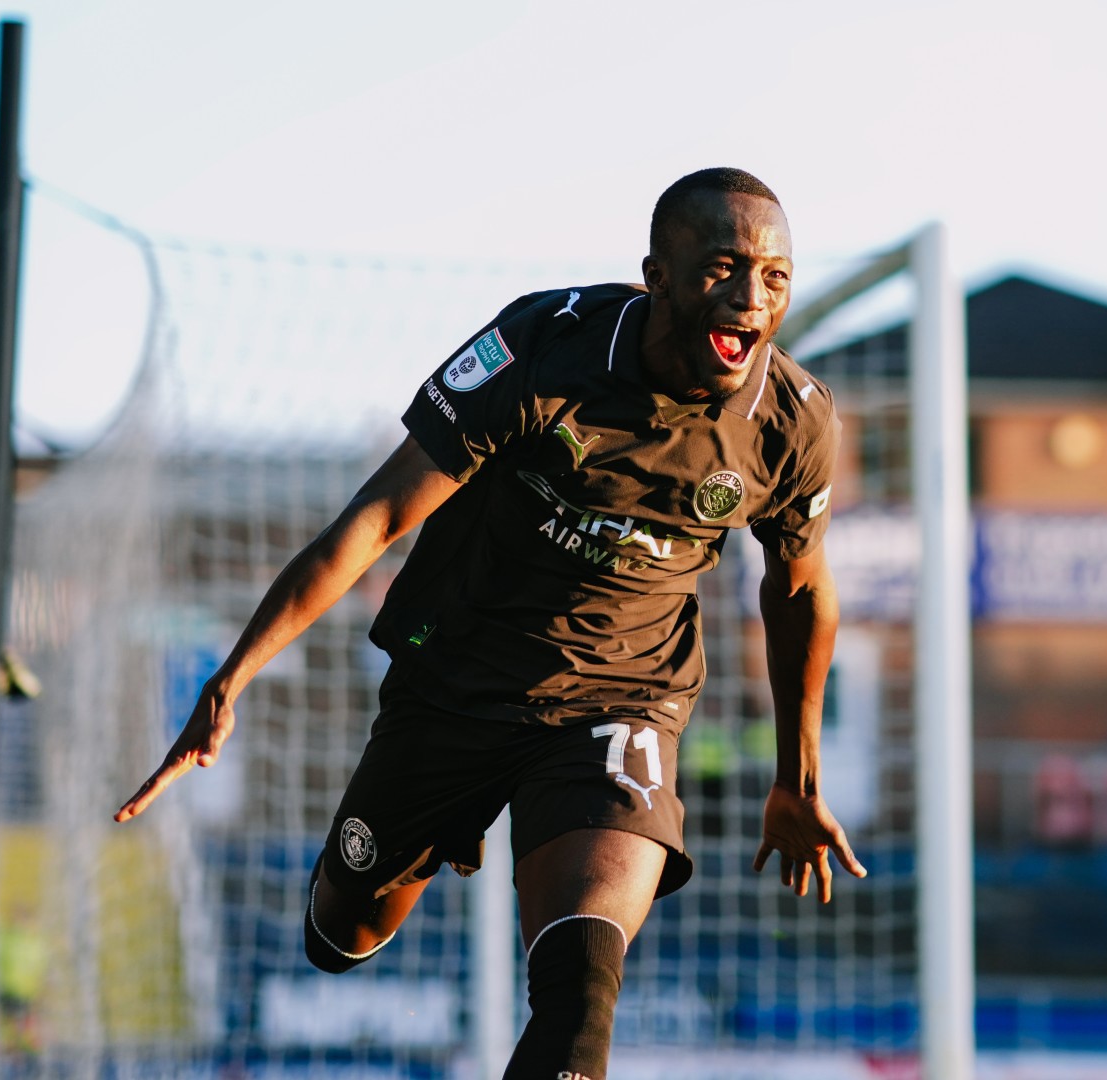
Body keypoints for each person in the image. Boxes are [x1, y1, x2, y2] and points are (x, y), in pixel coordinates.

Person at [114, 167, 866, 1079]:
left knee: (583, 990)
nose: (752, 299)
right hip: (459, 680)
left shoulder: (791, 421)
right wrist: (232, 676)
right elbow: (381, 517)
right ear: (656, 274)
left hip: (623, 698)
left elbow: (798, 592)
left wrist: (797, 776)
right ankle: (402, 854)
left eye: (776, 278)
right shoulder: (544, 345)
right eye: (722, 268)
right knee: (340, 935)